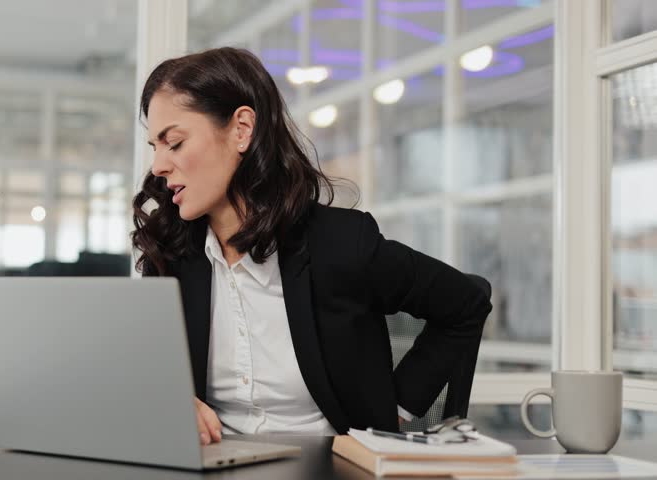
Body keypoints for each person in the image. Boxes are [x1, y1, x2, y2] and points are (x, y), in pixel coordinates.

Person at [132, 47, 492, 445]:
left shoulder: (341, 245)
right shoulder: (173, 258)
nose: (159, 166)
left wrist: (397, 407)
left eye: (175, 143)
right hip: (216, 464)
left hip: (331, 466)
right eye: (155, 147)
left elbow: (466, 303)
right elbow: (150, 368)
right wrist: (174, 399)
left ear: (241, 129)